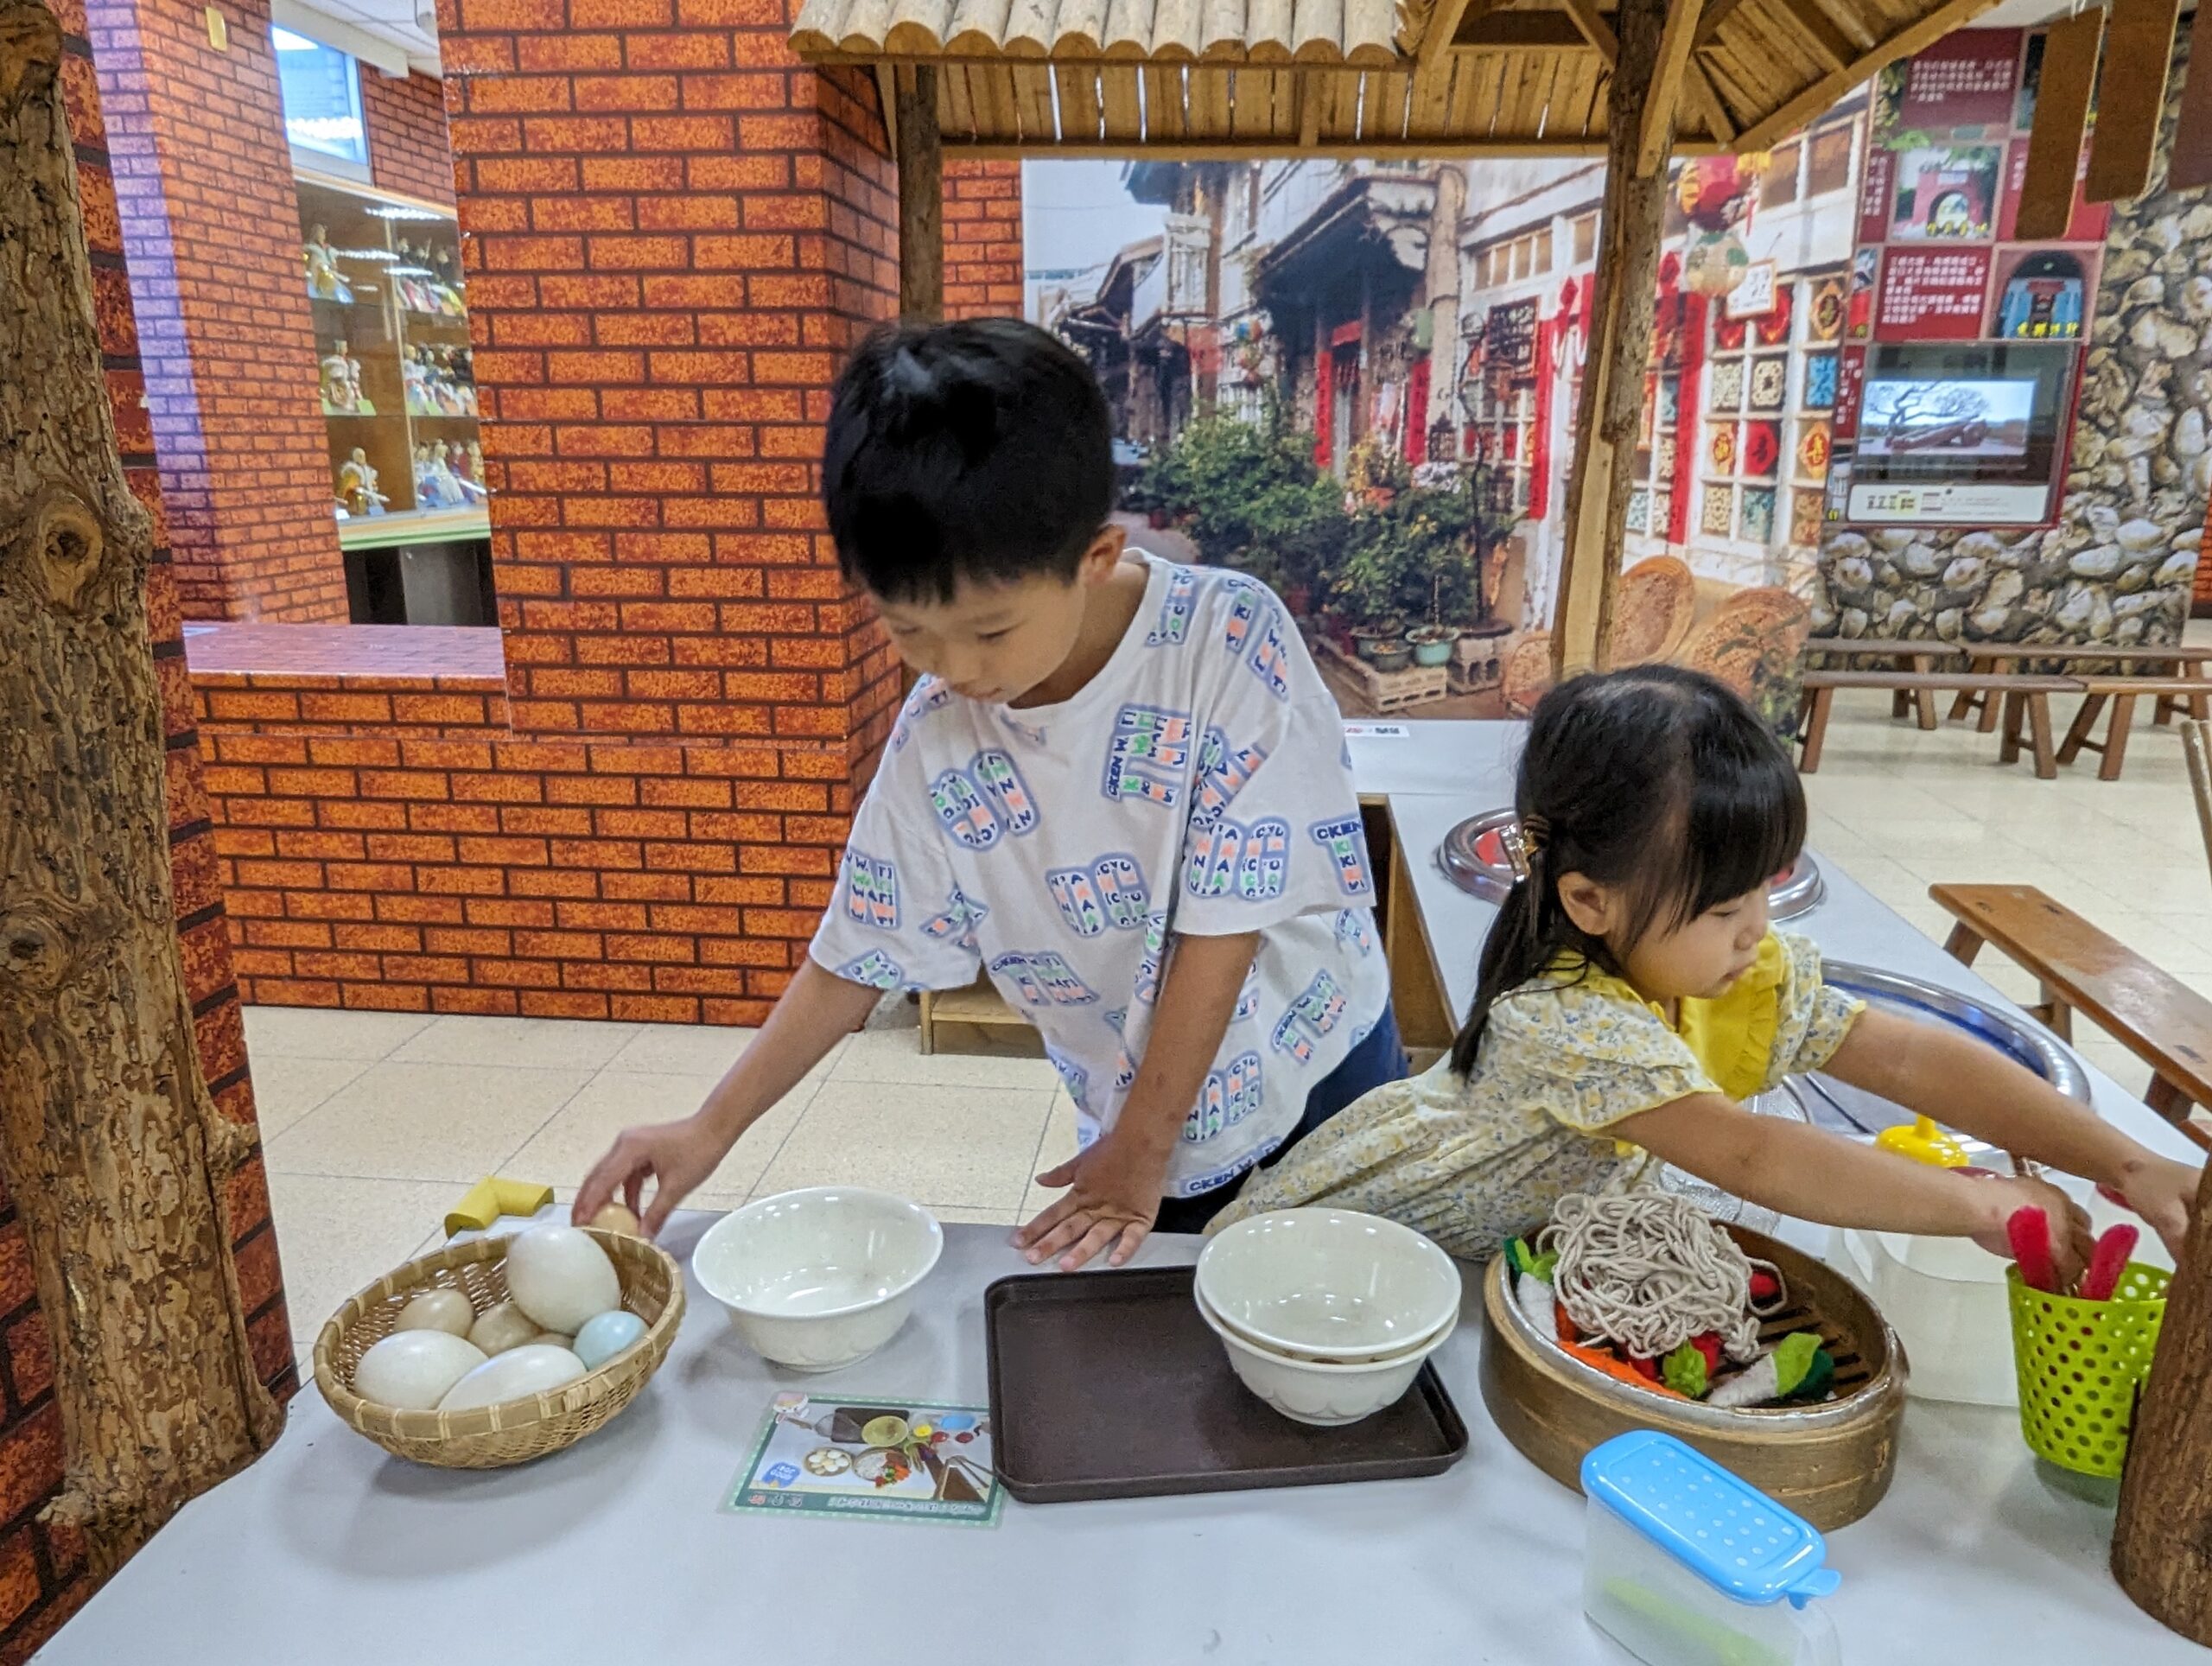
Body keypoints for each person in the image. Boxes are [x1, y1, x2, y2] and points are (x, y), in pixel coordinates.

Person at [574, 319, 1402, 1268]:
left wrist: (1140, 1147)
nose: (953, 669)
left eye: (990, 631)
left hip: (1317, 1058)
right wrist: (710, 1126)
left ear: (1094, 557)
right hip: (1148, 1118)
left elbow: (1225, 926)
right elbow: (857, 949)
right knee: (1190, 1338)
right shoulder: (939, 731)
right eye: (909, 631)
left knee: (1353, 1305)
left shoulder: (1226, 639)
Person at [1211, 664, 2201, 1281]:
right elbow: (1754, 1158)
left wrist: (2121, 1159)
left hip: (1471, 1264)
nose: (1754, 932)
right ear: (1588, 899)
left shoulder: (1729, 973)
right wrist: (1980, 1200)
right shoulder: (1563, 1020)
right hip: (1336, 1250)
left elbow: (1902, 1055)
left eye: (1762, 893)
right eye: (1723, 908)